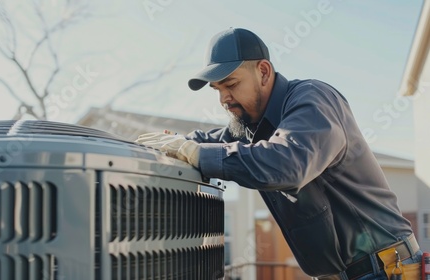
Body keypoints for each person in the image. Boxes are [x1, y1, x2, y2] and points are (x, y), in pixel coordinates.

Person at [135, 28, 423, 279]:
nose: (224, 99)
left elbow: (288, 163)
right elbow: (203, 142)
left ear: (263, 71)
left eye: (231, 85)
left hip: (386, 269)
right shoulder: (250, 125)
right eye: (217, 90)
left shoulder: (313, 100)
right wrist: (159, 147)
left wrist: (197, 153)